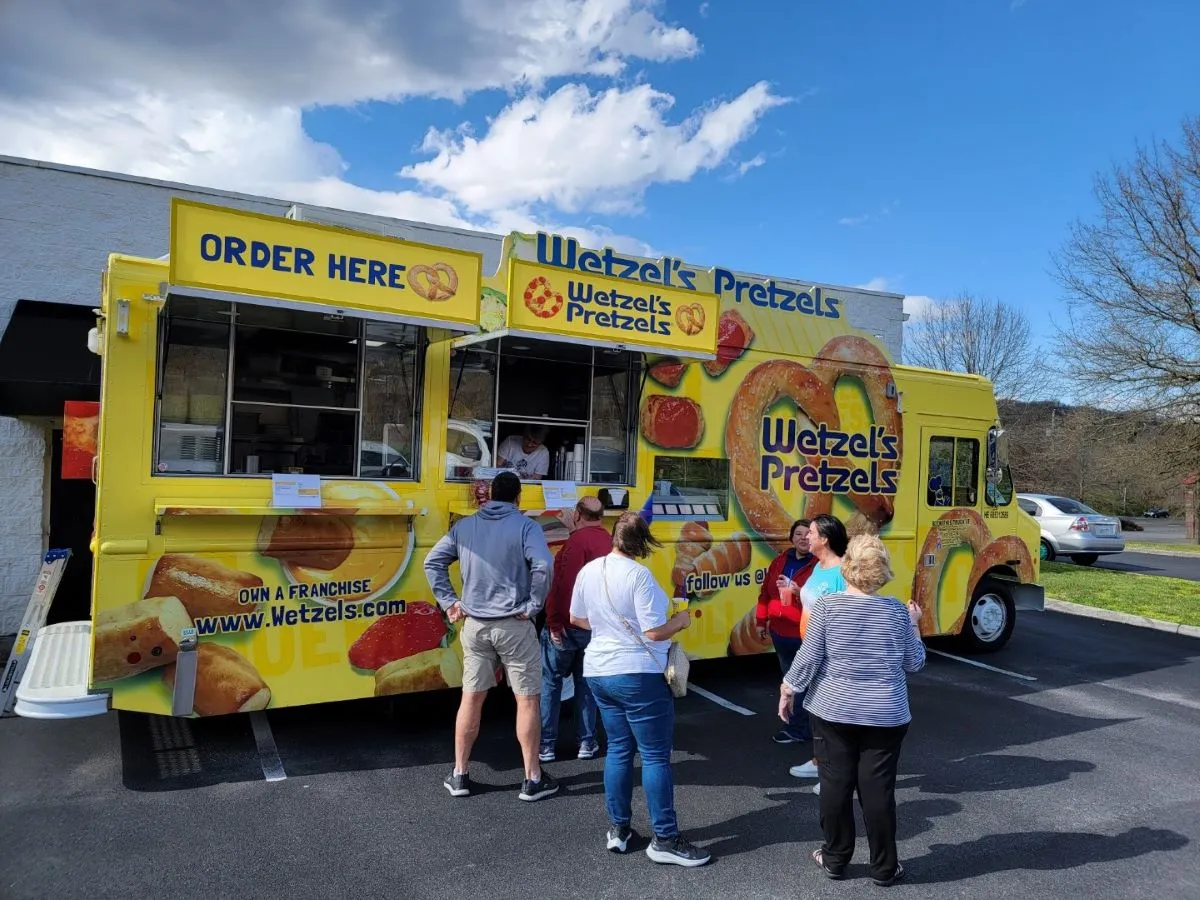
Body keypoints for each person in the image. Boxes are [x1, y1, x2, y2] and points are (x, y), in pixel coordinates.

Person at [778, 533, 925, 887]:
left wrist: (788, 689)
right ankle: (885, 868)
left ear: (848, 568)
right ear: (882, 571)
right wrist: (916, 624)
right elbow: (914, 662)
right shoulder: (895, 611)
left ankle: (835, 859)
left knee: (835, 785)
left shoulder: (827, 608)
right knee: (878, 791)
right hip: (885, 714)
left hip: (833, 710)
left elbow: (809, 657)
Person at [568, 511, 712, 867]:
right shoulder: (640, 576)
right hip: (637, 673)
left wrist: (607, 627)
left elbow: (576, 618)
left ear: (614, 537)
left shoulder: (590, 571)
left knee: (618, 749)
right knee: (654, 756)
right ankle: (665, 838)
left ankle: (619, 829)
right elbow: (653, 632)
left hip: (598, 670)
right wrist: (679, 621)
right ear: (643, 542)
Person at [424, 471, 558, 802]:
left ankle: (460, 775)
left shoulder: (465, 527)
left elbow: (432, 563)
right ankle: (532, 779)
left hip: (476, 626)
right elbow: (543, 566)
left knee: (471, 698)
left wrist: (450, 602)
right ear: (518, 497)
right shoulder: (527, 526)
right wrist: (533, 606)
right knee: (526, 700)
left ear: (491, 495)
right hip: (514, 625)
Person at [539, 496, 609, 763]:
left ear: (578, 514)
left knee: (551, 683)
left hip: (568, 626)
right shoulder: (608, 541)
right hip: (595, 627)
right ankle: (586, 742)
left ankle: (546, 745)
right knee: (586, 684)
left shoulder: (575, 544)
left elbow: (561, 586)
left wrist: (553, 623)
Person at [788, 513, 848, 782]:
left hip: (832, 657)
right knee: (817, 715)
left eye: (811, 532)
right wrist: (794, 590)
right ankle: (818, 760)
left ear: (824, 538)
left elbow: (846, 620)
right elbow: (812, 604)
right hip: (813, 652)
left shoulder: (843, 572)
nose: (806, 537)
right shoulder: (818, 566)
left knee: (834, 720)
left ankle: (835, 778)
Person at [755, 517, 817, 744]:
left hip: (804, 634)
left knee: (799, 682)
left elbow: (820, 602)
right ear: (791, 538)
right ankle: (801, 726)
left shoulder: (818, 566)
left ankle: (799, 730)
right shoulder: (780, 560)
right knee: (791, 681)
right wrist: (761, 621)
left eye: (807, 534)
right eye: (798, 534)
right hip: (780, 633)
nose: (803, 538)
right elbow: (766, 593)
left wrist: (798, 591)